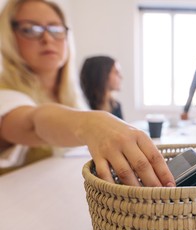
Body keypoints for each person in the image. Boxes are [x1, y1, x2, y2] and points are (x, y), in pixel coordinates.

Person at [0, 0, 175, 187]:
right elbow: (33, 123)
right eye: (30, 29)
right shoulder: (6, 93)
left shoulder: (72, 95)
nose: (47, 39)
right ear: (9, 35)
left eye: (56, 29)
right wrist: (89, 124)